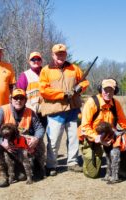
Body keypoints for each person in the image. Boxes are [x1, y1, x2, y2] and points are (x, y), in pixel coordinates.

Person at [39, 43, 89, 176]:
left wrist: (80, 88)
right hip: (55, 110)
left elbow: (84, 81)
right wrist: (63, 94)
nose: (60, 56)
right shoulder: (46, 70)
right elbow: (43, 90)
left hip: (73, 109)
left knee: (73, 138)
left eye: (63, 53)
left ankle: (72, 162)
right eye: (58, 54)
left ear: (66, 54)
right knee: (54, 139)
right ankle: (51, 165)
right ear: (53, 55)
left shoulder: (74, 68)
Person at [0, 89, 45, 187]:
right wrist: (2, 141)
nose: (18, 100)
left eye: (21, 98)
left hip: (21, 147)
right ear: (11, 99)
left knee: (22, 177)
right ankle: (2, 174)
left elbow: (40, 128)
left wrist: (36, 138)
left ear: (25, 100)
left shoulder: (30, 112)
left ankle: (31, 167)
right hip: (5, 142)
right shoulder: (3, 110)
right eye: (15, 98)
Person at [79, 78, 126, 179]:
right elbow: (85, 126)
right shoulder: (92, 102)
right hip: (91, 137)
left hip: (110, 137)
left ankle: (121, 171)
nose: (108, 93)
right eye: (105, 90)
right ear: (100, 89)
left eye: (111, 90)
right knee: (92, 174)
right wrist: (98, 139)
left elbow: (125, 124)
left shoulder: (116, 104)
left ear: (115, 91)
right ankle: (89, 159)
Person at [17, 52, 47, 129]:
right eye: (33, 59)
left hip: (46, 110)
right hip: (31, 111)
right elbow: (19, 94)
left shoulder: (47, 73)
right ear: (29, 61)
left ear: (41, 61)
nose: (36, 61)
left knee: (44, 134)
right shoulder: (24, 75)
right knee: (31, 135)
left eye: (38, 59)